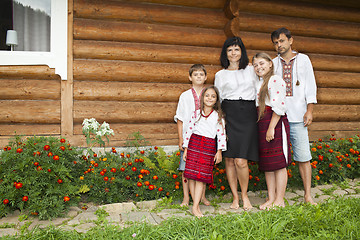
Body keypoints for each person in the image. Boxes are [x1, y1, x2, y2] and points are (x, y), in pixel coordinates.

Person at [271, 28, 317, 205]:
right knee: (278, 158)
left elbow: (310, 86)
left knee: (303, 157)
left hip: (299, 116)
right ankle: (276, 197)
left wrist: (309, 110)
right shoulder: (273, 63)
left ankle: (307, 195)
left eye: (281, 41)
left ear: (291, 41)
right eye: (275, 43)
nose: (279, 45)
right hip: (279, 117)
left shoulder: (303, 60)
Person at [214, 37, 259, 210]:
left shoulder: (251, 70)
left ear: (242, 52)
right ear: (225, 53)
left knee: (241, 160)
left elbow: (258, 92)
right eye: (230, 50)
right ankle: (235, 197)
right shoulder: (220, 74)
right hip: (229, 115)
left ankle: (245, 195)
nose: (233, 53)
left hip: (247, 115)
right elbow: (219, 99)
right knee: (230, 160)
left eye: (236, 49)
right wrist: (221, 121)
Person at [252, 52, 291, 209]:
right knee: (268, 163)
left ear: (270, 64)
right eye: (255, 65)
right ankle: (271, 197)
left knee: (279, 162)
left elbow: (279, 106)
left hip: (274, 123)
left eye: (261, 63)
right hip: (263, 122)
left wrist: (271, 128)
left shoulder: (275, 80)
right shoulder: (260, 83)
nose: (258, 67)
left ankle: (280, 200)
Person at [182, 86, 226, 217]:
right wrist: (186, 149)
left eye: (213, 96)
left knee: (201, 177)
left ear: (216, 99)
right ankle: (194, 204)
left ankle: (195, 207)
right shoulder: (195, 114)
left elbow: (221, 134)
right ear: (202, 97)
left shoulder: (218, 116)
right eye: (207, 95)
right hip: (194, 145)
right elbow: (188, 131)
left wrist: (219, 151)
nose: (210, 98)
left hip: (208, 146)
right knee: (192, 175)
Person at [174, 64, 210, 207]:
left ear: (206, 77)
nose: (199, 77)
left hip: (205, 136)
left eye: (201, 74)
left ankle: (202, 197)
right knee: (185, 169)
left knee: (203, 168)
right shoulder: (185, 96)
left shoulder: (209, 94)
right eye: (195, 74)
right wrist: (181, 139)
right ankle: (186, 198)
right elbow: (180, 119)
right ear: (190, 77)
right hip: (189, 138)